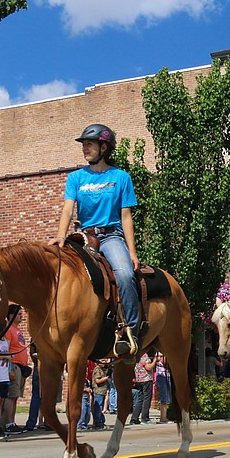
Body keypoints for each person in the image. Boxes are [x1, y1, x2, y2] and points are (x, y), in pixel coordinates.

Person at [51, 123, 141, 359]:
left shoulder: (121, 177)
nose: (85, 148)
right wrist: (61, 235)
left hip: (111, 236)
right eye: (83, 145)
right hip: (83, 236)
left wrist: (132, 252)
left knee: (124, 275)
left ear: (104, 147)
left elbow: (126, 216)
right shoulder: (76, 178)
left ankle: (131, 332)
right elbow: (68, 209)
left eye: (89, 144)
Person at [2, 322, 30, 434]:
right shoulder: (9, 330)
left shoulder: (17, 330)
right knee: (11, 395)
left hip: (21, 366)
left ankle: (12, 422)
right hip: (14, 365)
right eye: (18, 314)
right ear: (11, 315)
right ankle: (7, 423)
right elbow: (6, 349)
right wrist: (9, 369)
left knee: (16, 396)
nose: (21, 316)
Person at [130, 352, 155, 425]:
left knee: (140, 399)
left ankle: (134, 419)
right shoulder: (144, 355)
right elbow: (148, 367)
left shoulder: (135, 356)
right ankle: (145, 418)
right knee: (147, 399)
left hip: (139, 380)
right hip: (146, 379)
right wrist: (154, 361)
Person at [153, 351, 172, 422]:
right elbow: (164, 362)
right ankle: (163, 417)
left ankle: (167, 415)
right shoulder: (159, 353)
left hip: (168, 375)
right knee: (164, 397)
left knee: (170, 396)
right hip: (161, 376)